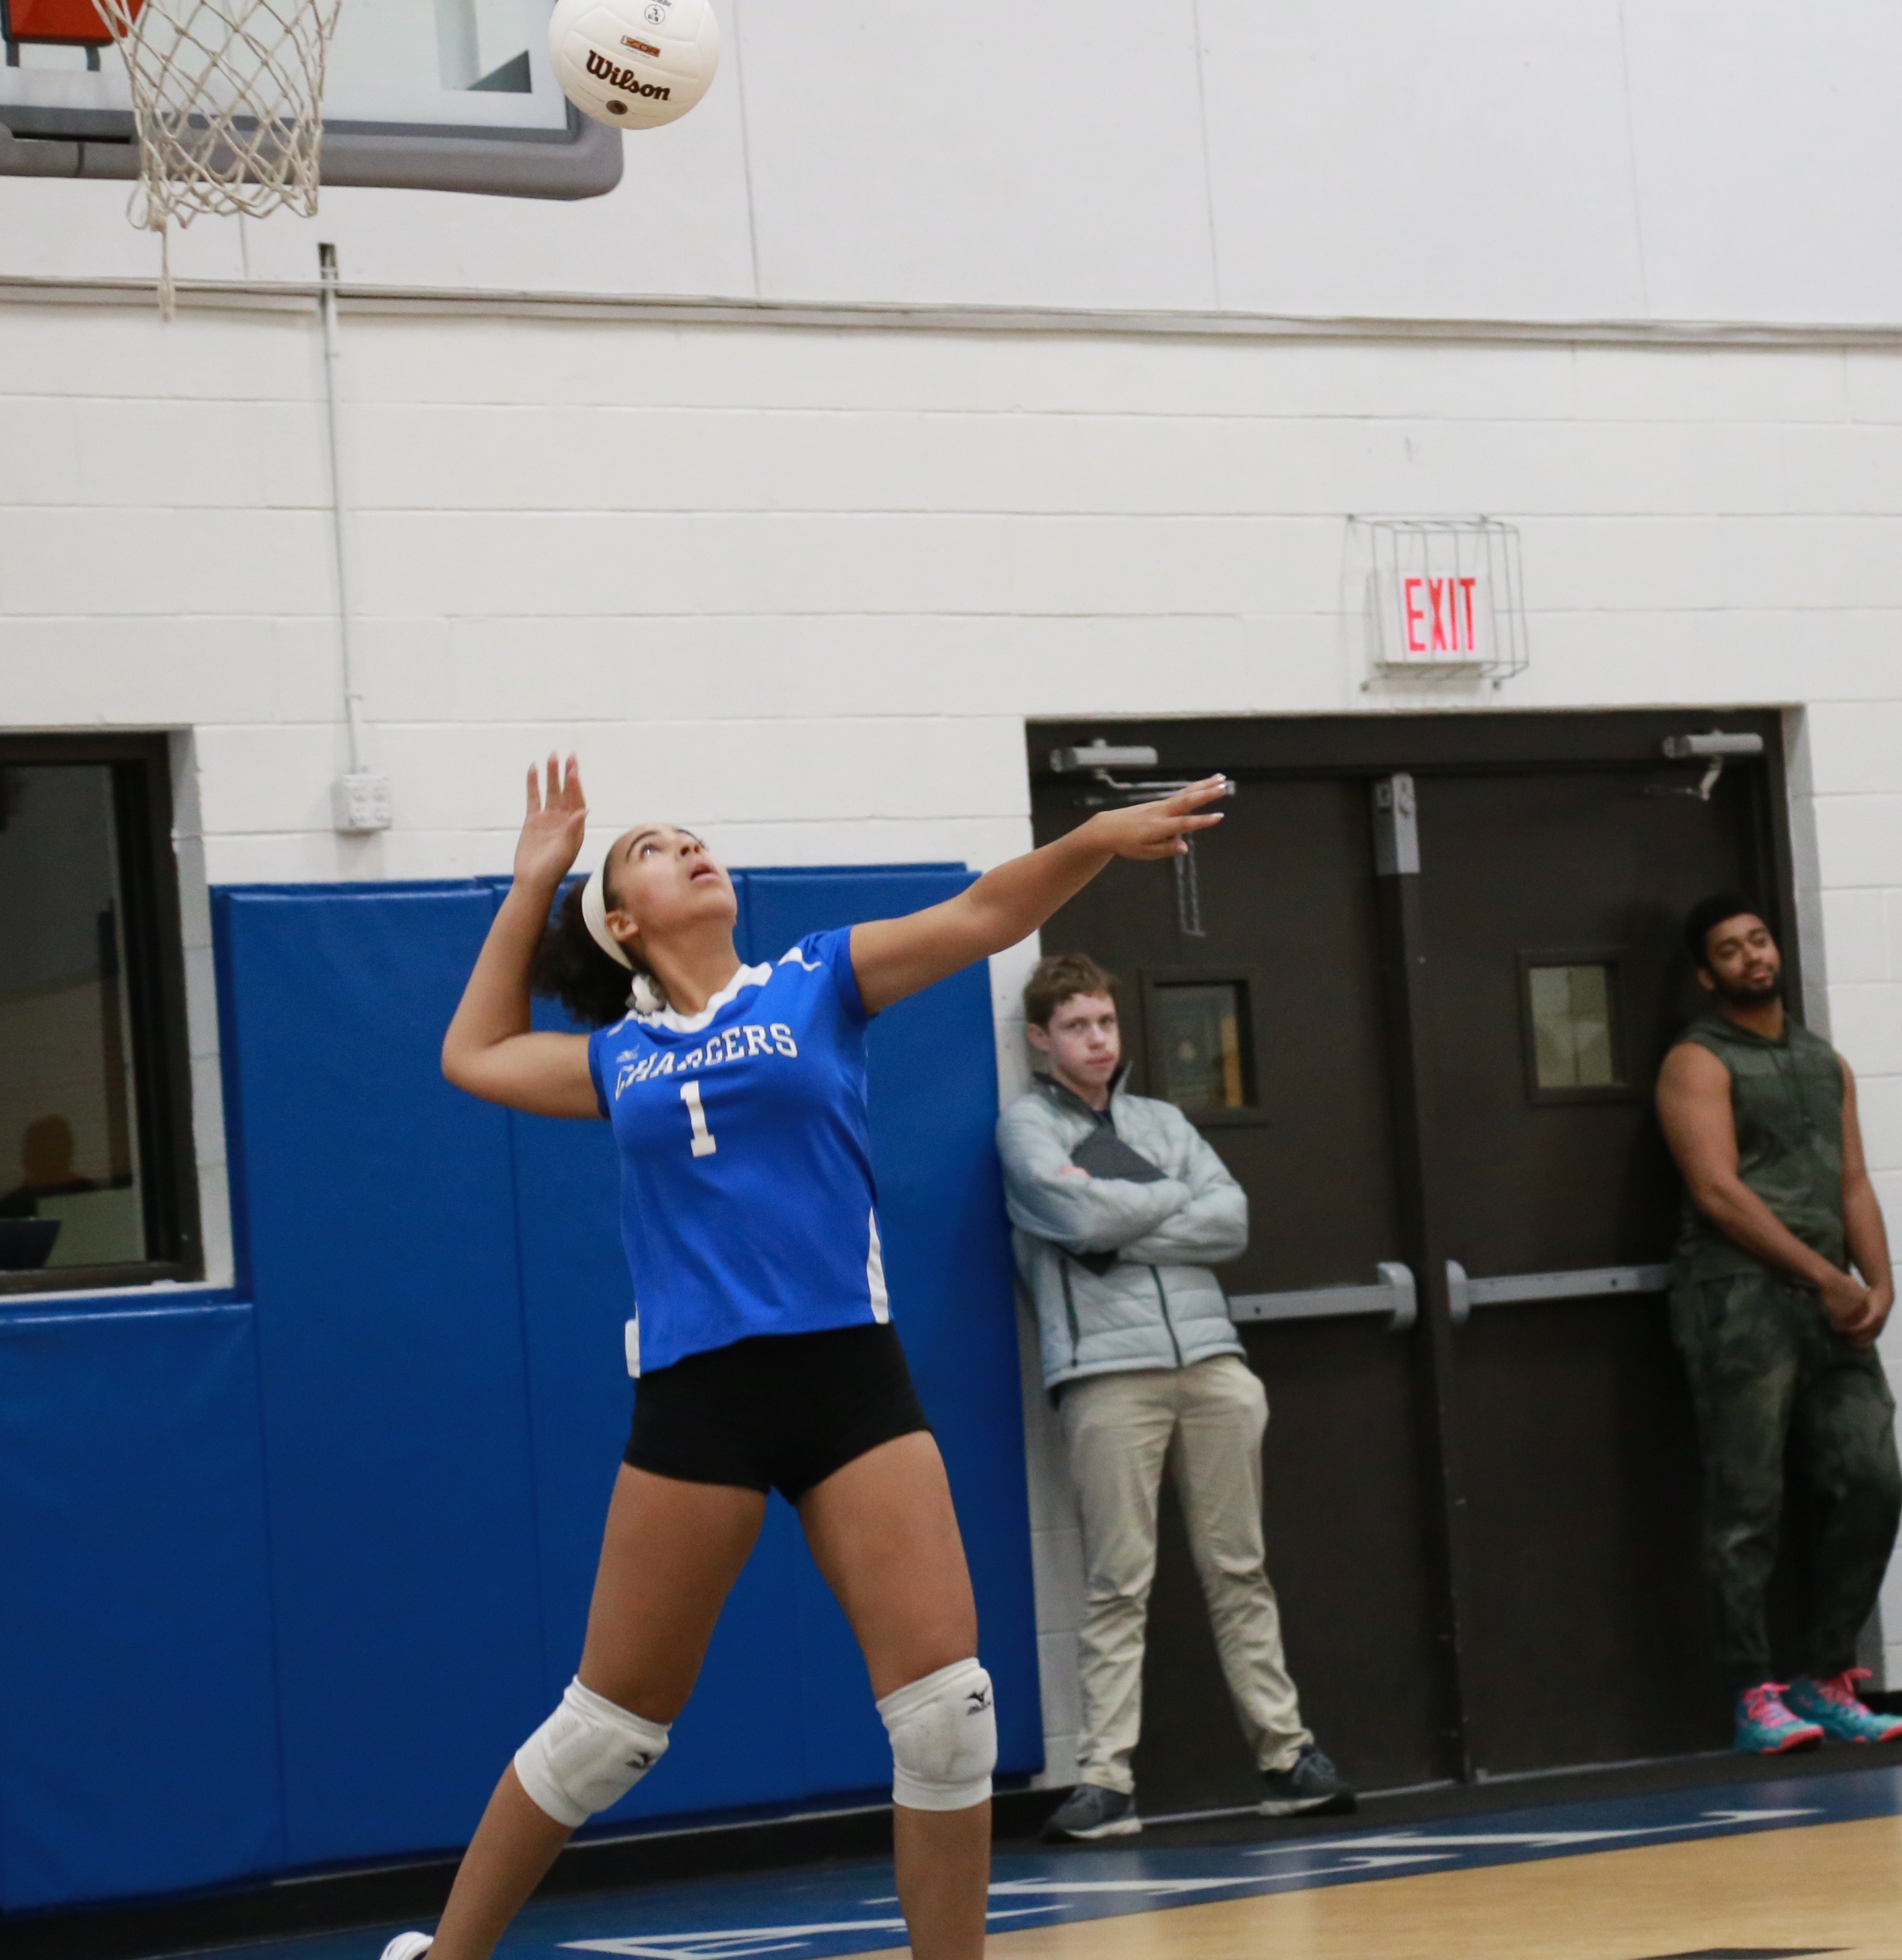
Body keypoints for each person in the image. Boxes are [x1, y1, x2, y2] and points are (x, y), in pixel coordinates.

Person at [390, 758, 1226, 1960]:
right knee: (606, 1731)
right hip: (698, 1401)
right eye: (652, 848)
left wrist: (1091, 835)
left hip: (848, 1383)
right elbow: (472, 1053)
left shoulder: (819, 978)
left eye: (691, 833)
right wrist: (533, 880)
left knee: (950, 1717)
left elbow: (987, 911)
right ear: (623, 922)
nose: (688, 846)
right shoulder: (616, 1058)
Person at [998, 950, 1351, 1840]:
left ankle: (1287, 1758)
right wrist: (1157, 1208)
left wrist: (1122, 1217)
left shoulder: (1161, 1120)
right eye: (1076, 1026)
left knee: (1241, 1568)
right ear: (1041, 1038)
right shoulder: (1025, 1131)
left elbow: (1229, 1220)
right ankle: (1106, 1780)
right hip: (1107, 1380)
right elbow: (1072, 1222)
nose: (1097, 1040)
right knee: (1120, 1580)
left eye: (1106, 1024)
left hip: (1213, 1364)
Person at [1652, 891, 1902, 1754]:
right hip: (1738, 1296)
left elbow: (1854, 1183)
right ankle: (1750, 1691)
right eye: (1731, 950)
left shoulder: (1821, 1059)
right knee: (1747, 1500)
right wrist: (1822, 1278)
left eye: (1759, 941)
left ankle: (1827, 1673)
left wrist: (1876, 1281)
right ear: (1708, 973)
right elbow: (1718, 1192)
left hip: (1830, 1299)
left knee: (1873, 1479)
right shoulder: (1697, 1059)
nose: (1753, 958)